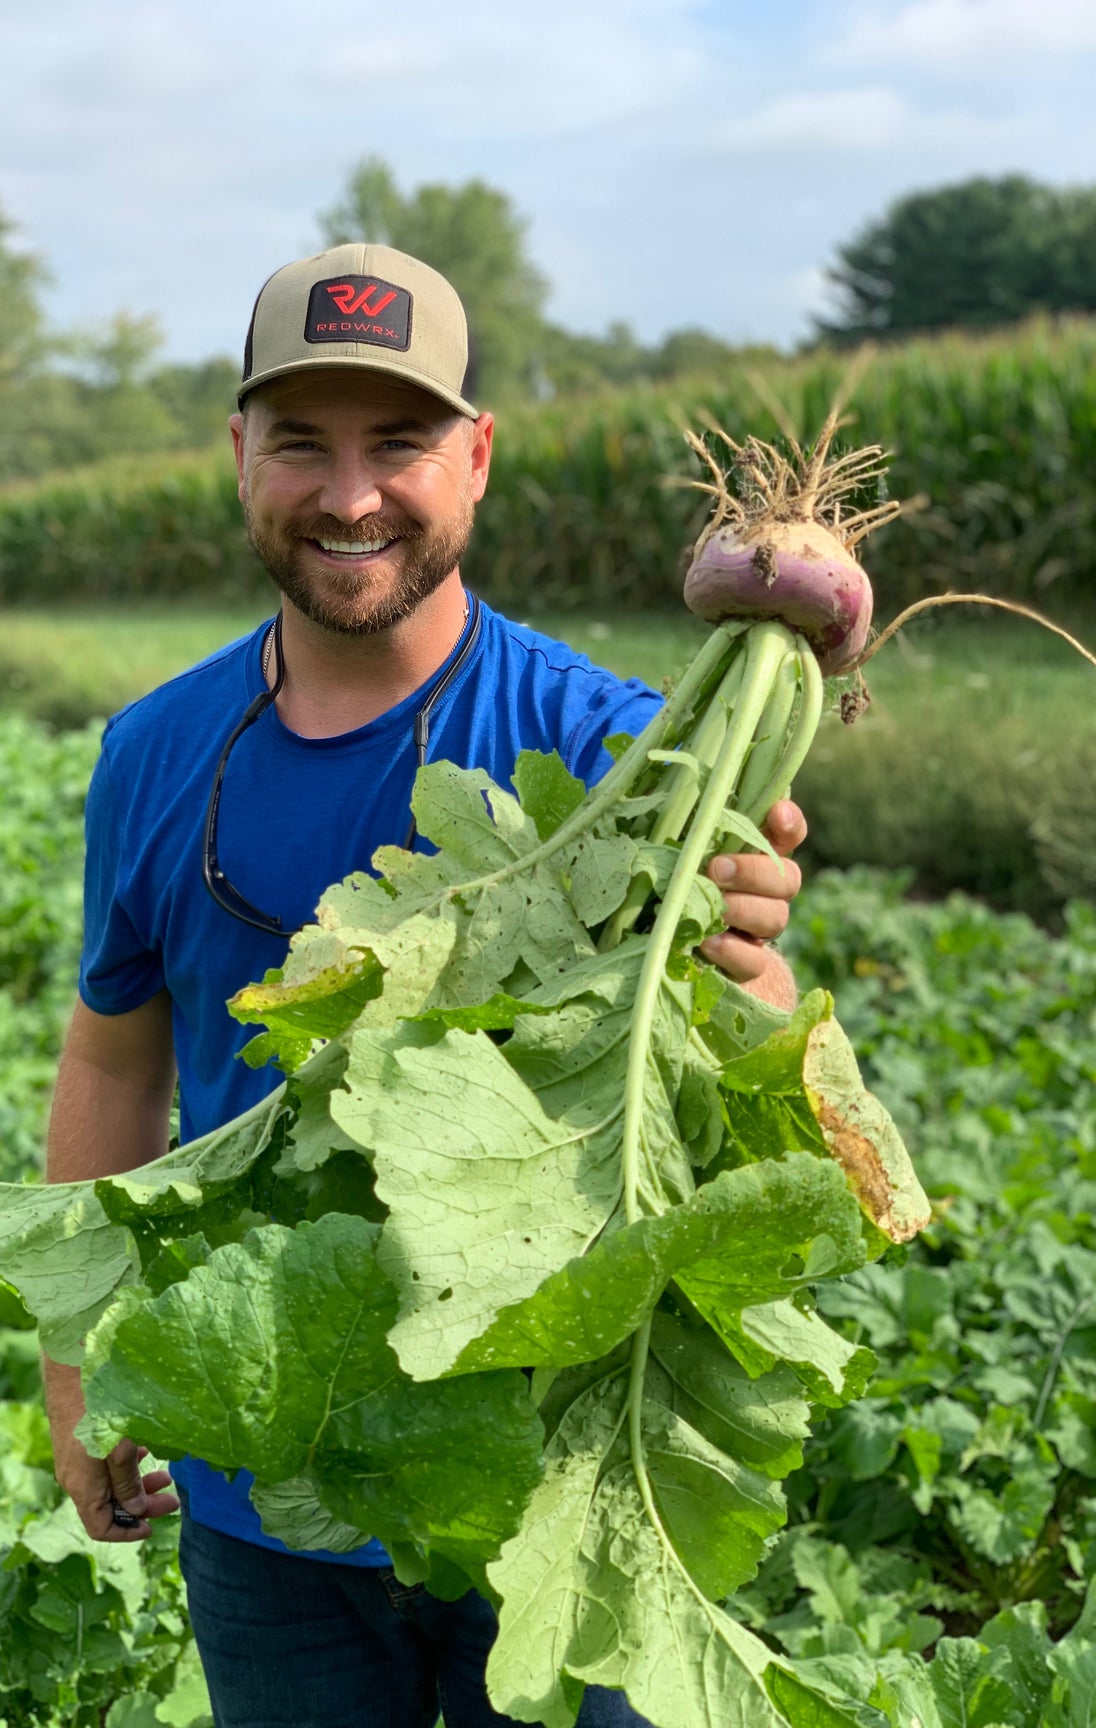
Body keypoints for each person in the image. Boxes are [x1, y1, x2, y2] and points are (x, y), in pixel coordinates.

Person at [44, 243, 807, 1728]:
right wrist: (76, 1367)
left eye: (397, 442)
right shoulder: (152, 750)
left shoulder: (615, 753)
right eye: (300, 445)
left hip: (555, 1470)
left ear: (476, 457)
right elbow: (113, 1062)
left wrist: (744, 959)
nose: (348, 497)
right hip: (266, 1469)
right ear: (238, 454)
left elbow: (734, 1071)